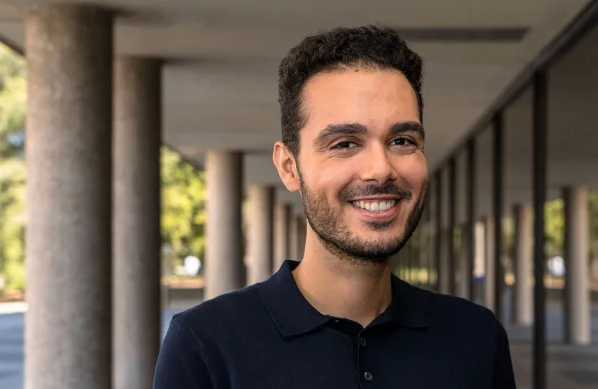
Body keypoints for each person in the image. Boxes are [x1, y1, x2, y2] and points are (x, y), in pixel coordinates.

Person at [153, 25, 516, 389]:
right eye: (344, 143)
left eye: (402, 140)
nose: (381, 169)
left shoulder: (476, 339)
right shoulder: (205, 345)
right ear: (289, 168)